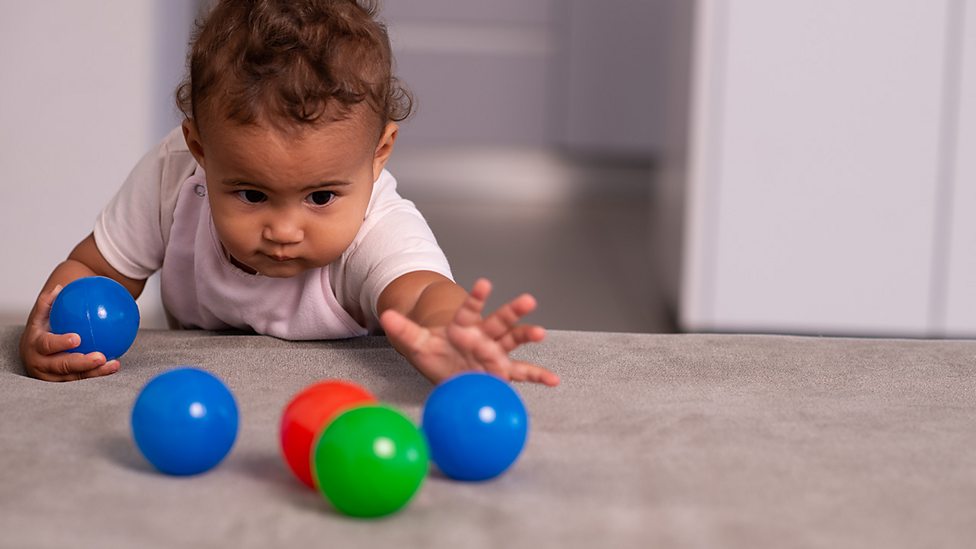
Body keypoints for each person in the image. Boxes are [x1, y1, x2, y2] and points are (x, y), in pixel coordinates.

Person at [19, 0, 559, 386]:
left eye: (320, 198)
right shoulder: (174, 176)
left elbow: (419, 294)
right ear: (200, 148)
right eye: (252, 195)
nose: (283, 231)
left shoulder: (377, 225)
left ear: (379, 154)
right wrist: (47, 327)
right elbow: (94, 269)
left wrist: (448, 332)